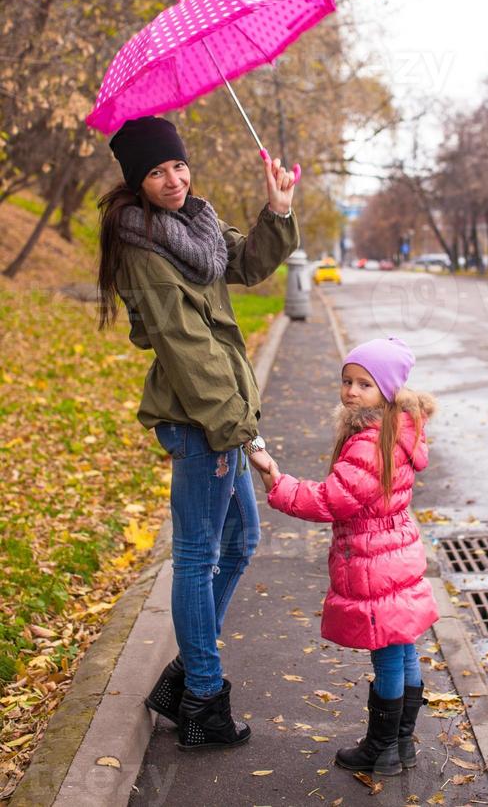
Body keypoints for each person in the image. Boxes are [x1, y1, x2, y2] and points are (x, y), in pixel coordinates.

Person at [96, 115, 299, 750]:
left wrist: (277, 208)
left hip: (216, 415)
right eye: (156, 172)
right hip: (199, 420)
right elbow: (189, 353)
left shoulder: (196, 225)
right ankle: (203, 699)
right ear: (137, 181)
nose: (173, 178)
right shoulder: (143, 248)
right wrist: (247, 438)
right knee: (197, 555)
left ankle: (187, 671)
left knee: (239, 542)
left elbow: (246, 264)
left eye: (178, 165)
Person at [250, 337, 439, 775]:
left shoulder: (371, 442)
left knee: (389, 655)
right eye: (347, 381)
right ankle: (402, 743)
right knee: (404, 647)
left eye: (364, 384)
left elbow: (332, 500)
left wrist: (276, 481)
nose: (351, 391)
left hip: (376, 560)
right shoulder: (397, 430)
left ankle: (382, 749)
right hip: (396, 551)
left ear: (387, 392)